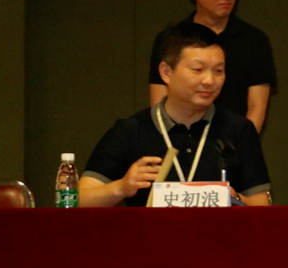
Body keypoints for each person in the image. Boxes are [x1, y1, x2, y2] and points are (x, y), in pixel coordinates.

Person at [85, 21, 271, 207]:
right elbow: (81, 199)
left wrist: (235, 199)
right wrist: (121, 187)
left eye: (218, 71)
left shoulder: (239, 130)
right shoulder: (131, 131)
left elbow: (261, 202)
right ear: (166, 72)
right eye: (198, 69)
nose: (209, 80)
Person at [148, 0, 277, 133]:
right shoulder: (171, 39)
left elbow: (256, 108)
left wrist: (240, 144)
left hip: (233, 143)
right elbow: (159, 103)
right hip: (179, 142)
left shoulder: (254, 40)